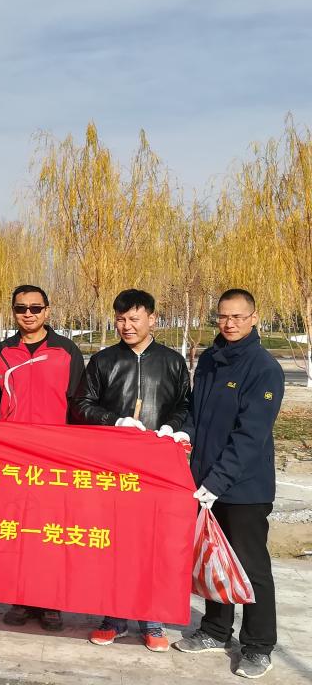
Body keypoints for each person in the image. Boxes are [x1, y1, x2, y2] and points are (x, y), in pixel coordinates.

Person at [173, 289, 283, 679]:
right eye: (223, 316)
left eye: (237, 316)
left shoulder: (264, 368)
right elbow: (197, 413)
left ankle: (258, 645)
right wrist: (182, 435)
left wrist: (217, 481)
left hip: (244, 488)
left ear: (254, 318)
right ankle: (216, 629)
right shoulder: (210, 360)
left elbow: (250, 436)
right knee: (212, 559)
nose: (229, 323)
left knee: (250, 565)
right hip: (205, 482)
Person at [73, 288, 191, 652]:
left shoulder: (172, 362)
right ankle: (113, 617)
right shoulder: (103, 361)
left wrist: (171, 427)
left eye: (134, 319)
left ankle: (152, 618)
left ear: (152, 319)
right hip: (113, 467)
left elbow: (186, 404)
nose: (126, 326)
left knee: (152, 543)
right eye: (120, 319)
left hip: (156, 468)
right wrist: (114, 420)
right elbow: (80, 405)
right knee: (113, 542)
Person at [0, 284, 84, 632]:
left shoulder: (66, 351)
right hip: (12, 458)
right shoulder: (1, 352)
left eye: (35, 308)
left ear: (47, 311)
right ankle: (20, 597)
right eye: (21, 308)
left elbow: (78, 405)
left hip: (53, 457)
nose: (28, 314)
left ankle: (50, 602)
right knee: (16, 530)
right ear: (13, 312)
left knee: (51, 532)